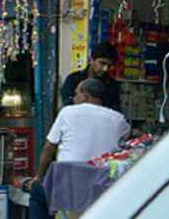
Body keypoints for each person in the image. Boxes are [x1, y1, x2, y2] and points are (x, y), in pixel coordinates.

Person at [28, 79, 130, 219]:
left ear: (85, 95)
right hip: (100, 188)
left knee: (37, 193)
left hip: (67, 184)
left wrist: (39, 176)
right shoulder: (119, 120)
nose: (74, 99)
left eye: (76, 94)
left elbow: (49, 148)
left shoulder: (67, 112)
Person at [60, 42, 121, 110]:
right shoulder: (73, 79)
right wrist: (74, 101)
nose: (105, 69)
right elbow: (65, 106)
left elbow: (115, 111)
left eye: (109, 66)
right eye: (102, 63)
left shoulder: (112, 85)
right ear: (91, 60)